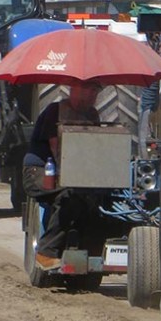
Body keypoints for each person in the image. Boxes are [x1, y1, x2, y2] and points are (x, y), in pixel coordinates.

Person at [23, 80, 103, 271]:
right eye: (88, 91)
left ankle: (87, 248)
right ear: (74, 90)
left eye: (95, 92)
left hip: (70, 171)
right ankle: (46, 252)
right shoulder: (55, 111)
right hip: (41, 170)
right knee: (69, 193)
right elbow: (57, 150)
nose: (92, 96)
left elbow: (96, 146)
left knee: (96, 197)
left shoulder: (92, 114)